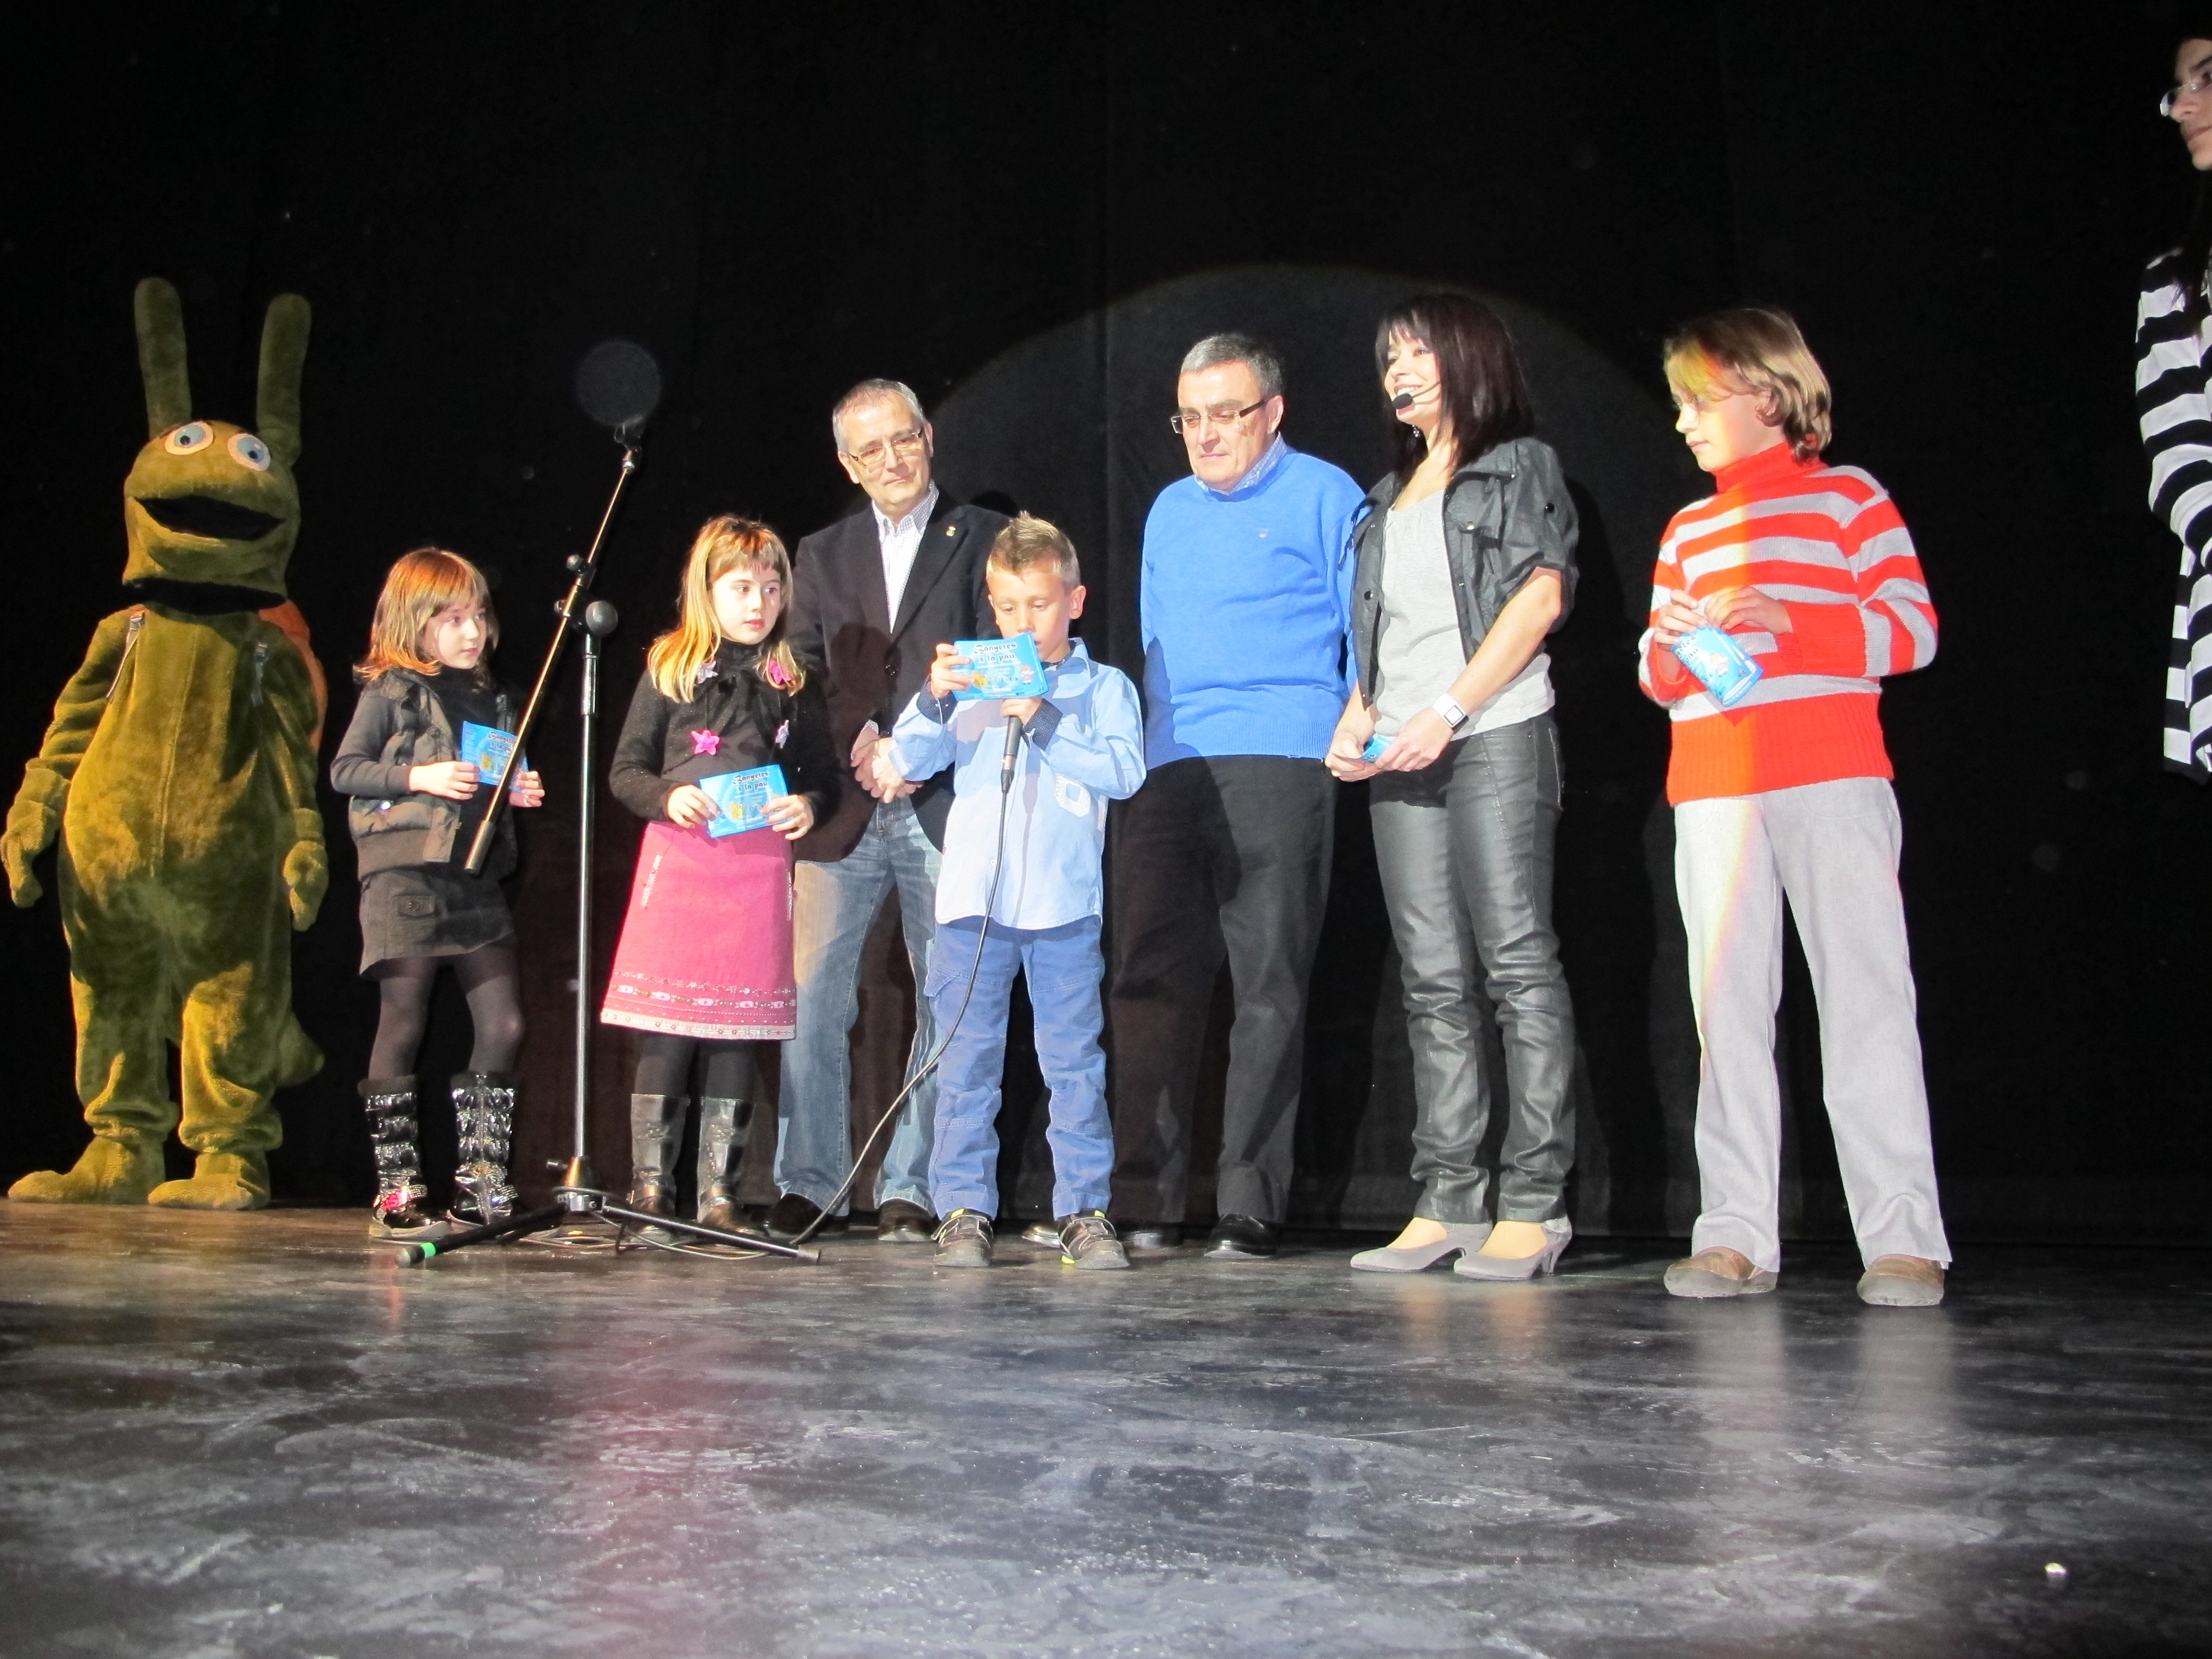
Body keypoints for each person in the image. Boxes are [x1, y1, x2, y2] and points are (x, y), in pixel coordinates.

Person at [1640, 307, 1950, 1308]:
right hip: (1712, 786)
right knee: (1724, 1016)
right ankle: (1734, 1233)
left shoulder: (1850, 498)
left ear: (1768, 393)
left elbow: (1912, 632)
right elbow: (1654, 673)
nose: (1683, 421)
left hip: (1831, 774)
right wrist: (1670, 649)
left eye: (1698, 400)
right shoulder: (1686, 530)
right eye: (1679, 403)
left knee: (1865, 1002)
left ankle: (1901, 1237)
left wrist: (1793, 620)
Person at [1325, 293, 1580, 1281]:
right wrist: (1359, 713)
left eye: (1416, 353)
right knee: (1431, 981)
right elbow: (1385, 631)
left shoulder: (1518, 465)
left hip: (1494, 734)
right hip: (1402, 750)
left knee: (1515, 962)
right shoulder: (1385, 496)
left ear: (1467, 359)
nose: (1397, 371)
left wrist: (1450, 710)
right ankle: (1448, 1201)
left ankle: (1535, 1202)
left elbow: (1539, 597)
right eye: (1388, 357)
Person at [1108, 333, 1365, 1259]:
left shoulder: (1329, 494)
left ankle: (1249, 1203)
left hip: (1284, 756)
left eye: (1227, 413)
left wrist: (1354, 718)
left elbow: (1366, 627)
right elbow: (1154, 636)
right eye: (1190, 417)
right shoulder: (1168, 509)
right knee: (1148, 980)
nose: (1206, 434)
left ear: (1273, 411)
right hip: (1169, 763)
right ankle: (1145, 1197)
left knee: (1268, 987)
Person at [781, 381, 1007, 1244]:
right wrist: (864, 746)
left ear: (929, 437)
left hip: (943, 798)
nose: (891, 460)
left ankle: (915, 1185)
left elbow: (996, 663)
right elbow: (801, 679)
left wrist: (916, 755)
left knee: (946, 995)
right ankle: (809, 1182)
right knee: (811, 995)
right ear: (848, 464)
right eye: (869, 450)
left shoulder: (986, 537)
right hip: (842, 801)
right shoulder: (821, 553)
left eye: (902, 440)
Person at [890, 515, 1147, 1268]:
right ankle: (962, 1208)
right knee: (965, 1063)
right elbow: (908, 760)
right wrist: (934, 697)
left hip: (1064, 910)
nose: (1022, 623)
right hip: (973, 908)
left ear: (1075, 601)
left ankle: (1084, 1210)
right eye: (1007, 607)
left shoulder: (1104, 688)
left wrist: (1044, 718)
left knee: (1074, 1065)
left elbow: (1125, 772)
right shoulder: (974, 683)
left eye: (1039, 604)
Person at [602, 517, 836, 1235]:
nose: (758, 602)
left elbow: (823, 778)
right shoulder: (670, 668)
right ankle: (650, 1191)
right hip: (682, 866)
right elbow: (625, 771)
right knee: (667, 1033)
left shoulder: (793, 679)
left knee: (736, 1034)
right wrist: (667, 797)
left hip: (756, 874)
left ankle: (718, 1196)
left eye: (771, 588)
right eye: (741, 587)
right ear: (707, 591)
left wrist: (807, 805)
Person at [330, 548, 545, 1238]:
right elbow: (345, 769)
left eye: (478, 615)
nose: (472, 631)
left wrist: (515, 789)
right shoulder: (392, 691)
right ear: (414, 622)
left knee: (504, 1024)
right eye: (452, 619)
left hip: (473, 876)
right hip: (405, 872)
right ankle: (396, 1190)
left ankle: (479, 1185)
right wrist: (418, 778)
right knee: (405, 1020)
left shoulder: (496, 698)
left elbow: (488, 777)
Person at [2141, 25, 2212, 780]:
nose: (2182, 107)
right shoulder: (2176, 283)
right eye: (2178, 89)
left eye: (2207, 79)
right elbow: (2177, 448)